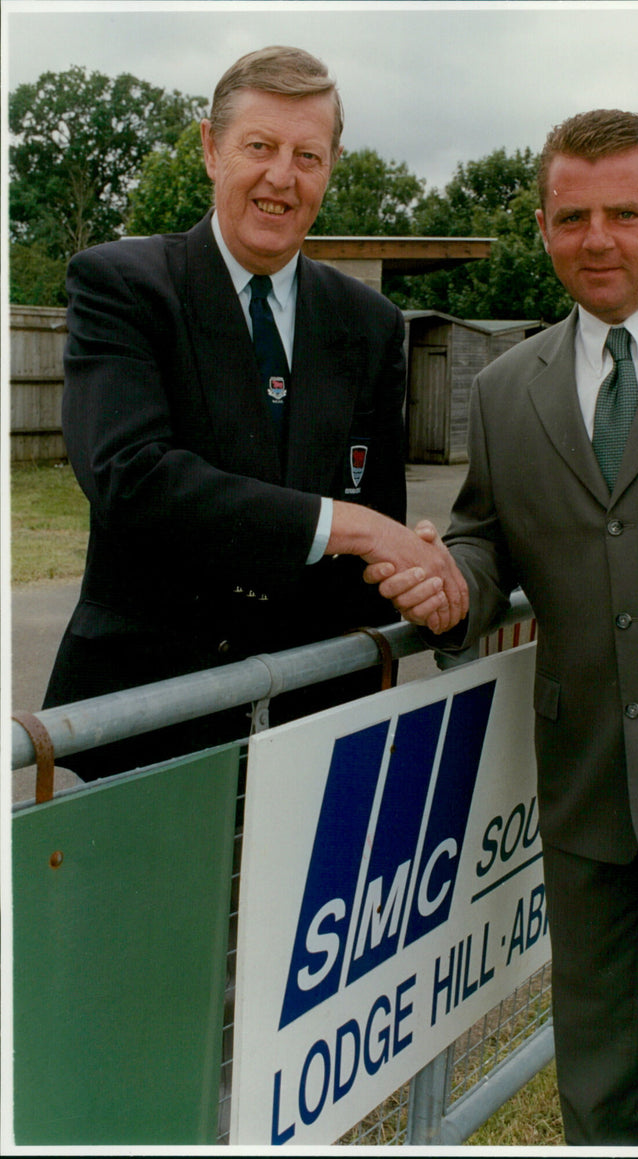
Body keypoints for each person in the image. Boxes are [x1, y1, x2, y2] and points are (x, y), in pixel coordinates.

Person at [369, 110, 638, 1146]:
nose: (595, 237)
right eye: (571, 216)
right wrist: (446, 584)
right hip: (584, 790)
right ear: (544, 227)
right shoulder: (508, 388)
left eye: (621, 214)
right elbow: (482, 538)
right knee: (597, 1095)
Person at [43, 45, 466, 782]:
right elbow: (132, 477)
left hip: (316, 727)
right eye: (260, 147)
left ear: (332, 166)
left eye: (309, 155)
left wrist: (413, 568)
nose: (282, 177)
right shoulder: (123, 286)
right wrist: (355, 526)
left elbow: (377, 516)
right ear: (210, 147)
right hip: (146, 729)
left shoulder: (368, 324)